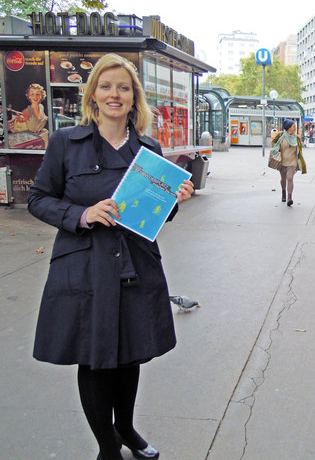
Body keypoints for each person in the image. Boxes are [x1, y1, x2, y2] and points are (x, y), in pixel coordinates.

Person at [27, 53, 194, 460]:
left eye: (123, 87)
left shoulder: (148, 147)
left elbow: (155, 214)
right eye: (106, 86)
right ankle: (108, 446)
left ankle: (127, 430)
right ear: (93, 94)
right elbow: (38, 199)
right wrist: (81, 214)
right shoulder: (67, 142)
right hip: (85, 265)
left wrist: (173, 199)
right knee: (96, 356)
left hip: (135, 264)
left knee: (129, 353)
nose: (114, 94)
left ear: (134, 96)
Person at [271, 118, 307, 206]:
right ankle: (283, 192)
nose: (295, 127)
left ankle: (289, 197)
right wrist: (277, 148)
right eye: (293, 126)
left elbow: (300, 149)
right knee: (283, 179)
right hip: (282, 162)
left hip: (292, 162)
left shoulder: (297, 138)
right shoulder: (281, 135)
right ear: (288, 128)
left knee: (290, 178)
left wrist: (300, 161)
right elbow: (273, 142)